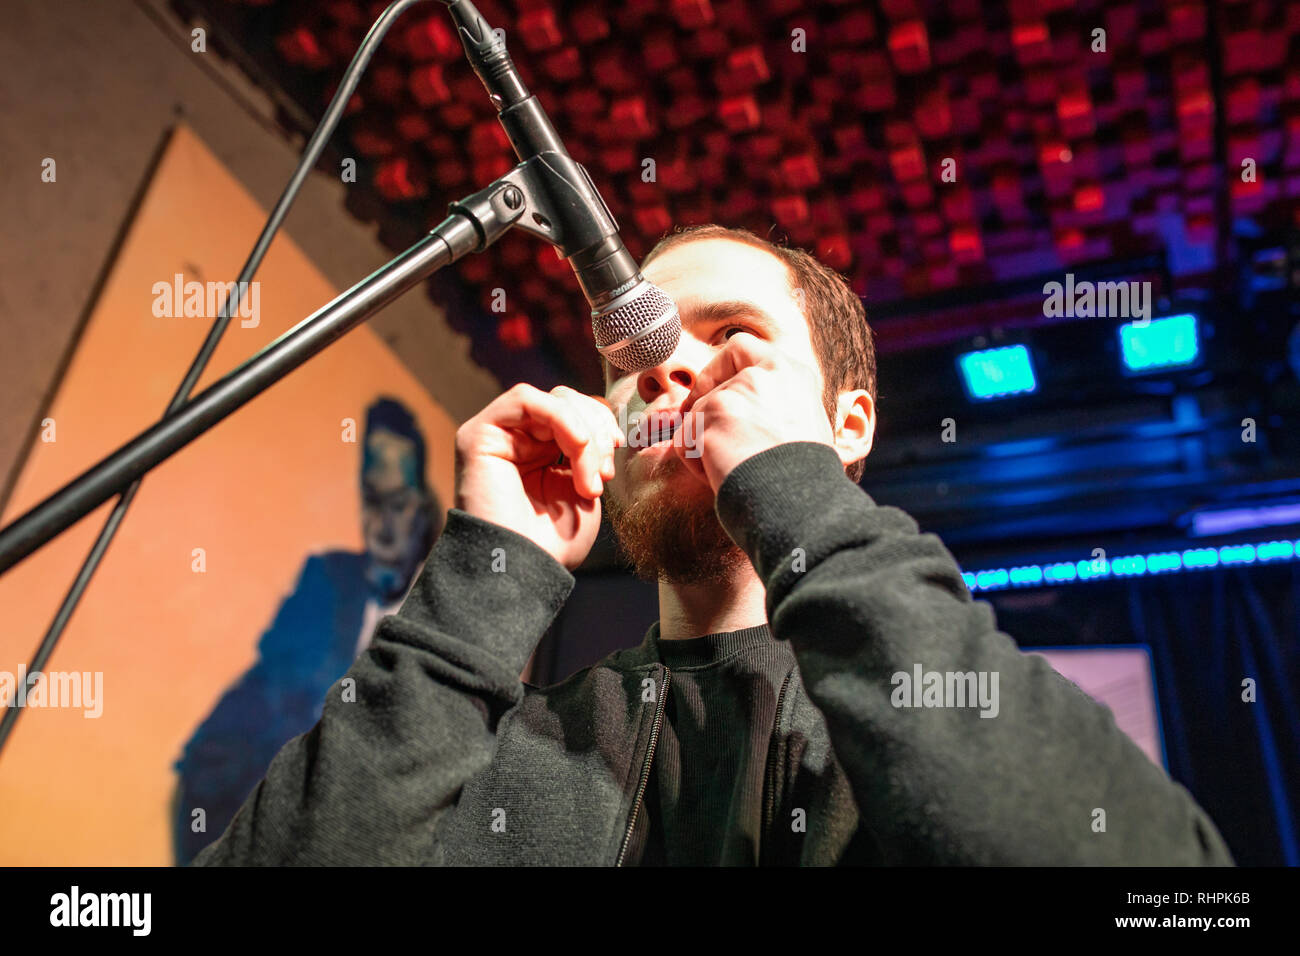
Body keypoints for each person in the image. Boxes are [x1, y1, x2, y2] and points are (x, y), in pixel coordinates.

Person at [193, 225, 1233, 866]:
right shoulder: (512, 748)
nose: (662, 367)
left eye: (730, 332)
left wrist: (802, 497)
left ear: (849, 423)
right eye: (635, 345)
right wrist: (478, 579)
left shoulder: (929, 712)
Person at [174, 398, 439, 864]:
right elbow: (281, 682)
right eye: (372, 501)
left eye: (397, 503)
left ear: (424, 511)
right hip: (240, 795)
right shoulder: (327, 574)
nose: (380, 523)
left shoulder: (434, 621)